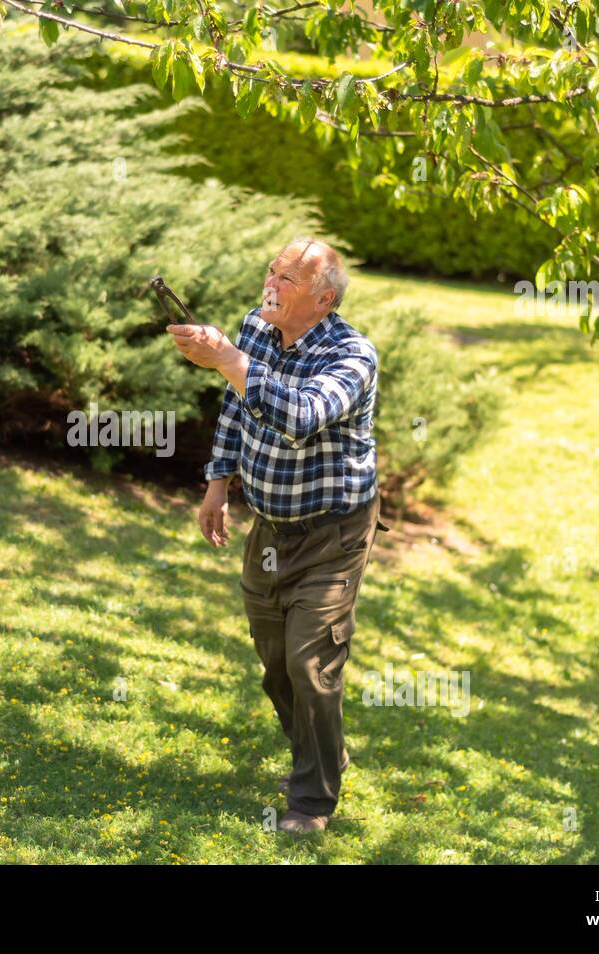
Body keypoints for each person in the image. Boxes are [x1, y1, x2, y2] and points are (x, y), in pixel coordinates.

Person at [166, 236, 388, 834]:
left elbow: (300, 417)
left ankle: (312, 801)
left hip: (333, 532)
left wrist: (229, 360)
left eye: (287, 279)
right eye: (272, 270)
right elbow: (238, 410)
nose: (272, 283)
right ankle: (323, 752)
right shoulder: (257, 328)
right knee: (274, 664)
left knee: (309, 660)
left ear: (323, 299)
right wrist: (218, 482)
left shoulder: (352, 356)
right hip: (269, 525)